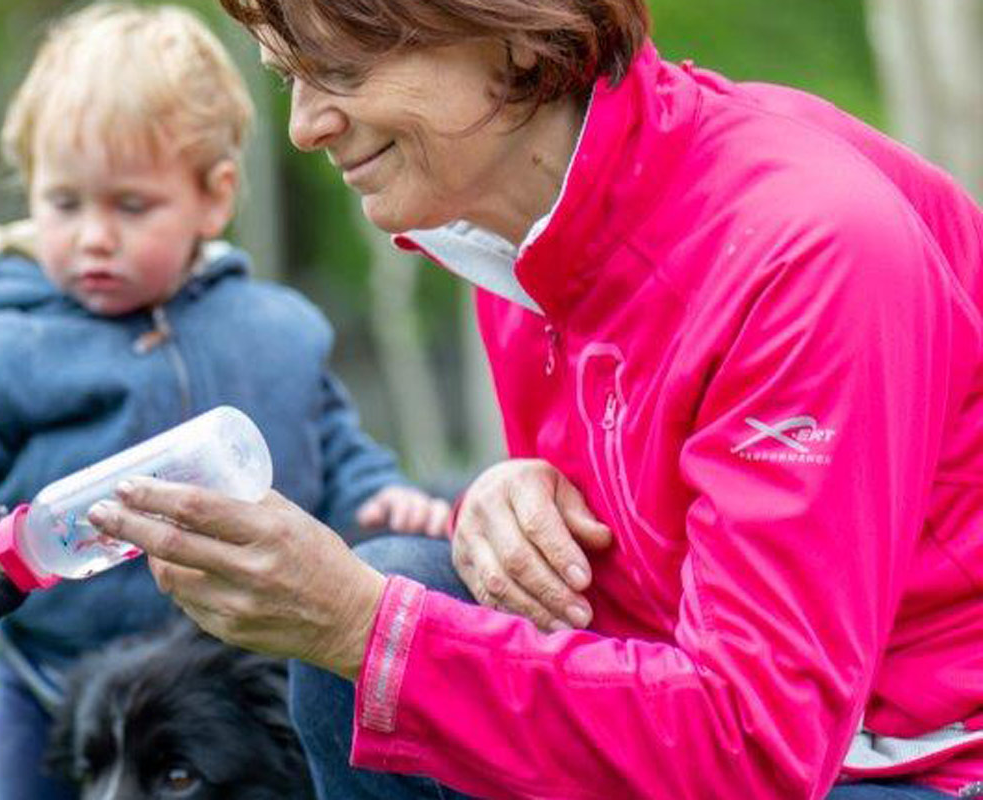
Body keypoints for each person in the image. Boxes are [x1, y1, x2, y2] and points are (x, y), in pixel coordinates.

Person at [84, 0, 983, 798]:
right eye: (292, 77)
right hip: (719, 701)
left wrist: (366, 626)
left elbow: (755, 748)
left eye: (343, 70)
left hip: (913, 758)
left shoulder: (806, 252)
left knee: (378, 635)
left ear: (513, 36)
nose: (305, 126)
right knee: (380, 627)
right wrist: (512, 491)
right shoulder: (501, 222)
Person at [0, 4, 449, 798]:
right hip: (59, 699)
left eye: (131, 206)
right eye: (65, 204)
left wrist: (380, 497)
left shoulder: (275, 331)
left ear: (213, 199)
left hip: (248, 694)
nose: (93, 237)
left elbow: (331, 441)